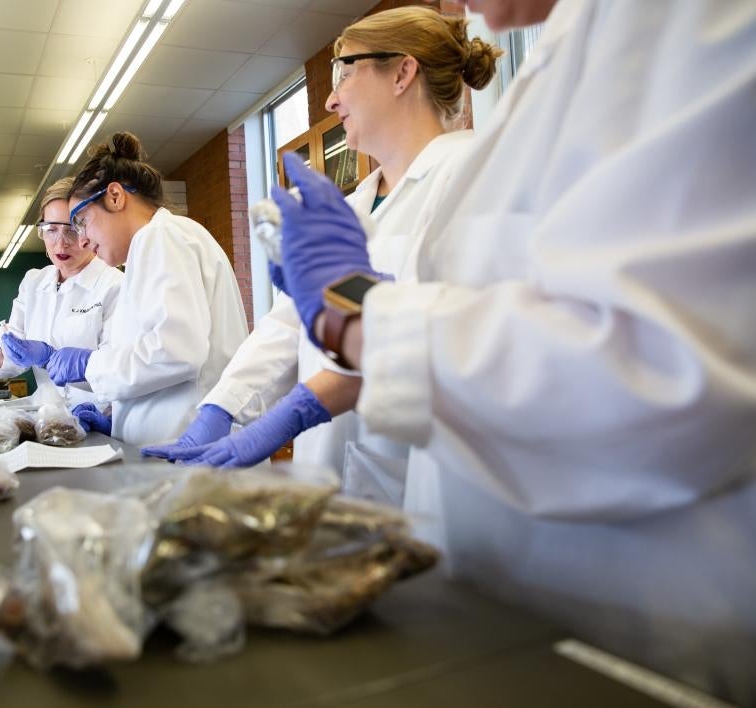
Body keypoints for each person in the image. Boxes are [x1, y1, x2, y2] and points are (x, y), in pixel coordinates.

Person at [272, 0, 756, 702]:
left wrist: (361, 323)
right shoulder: (564, 62)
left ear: (402, 73)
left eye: (343, 70)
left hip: (646, 635)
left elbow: (658, 365)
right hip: (512, 604)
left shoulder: (679, 17)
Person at [144, 7, 501, 507]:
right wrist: (222, 410)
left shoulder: (474, 177)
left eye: (345, 71)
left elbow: (452, 343)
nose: (331, 98)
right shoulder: (352, 206)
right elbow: (290, 325)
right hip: (329, 465)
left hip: (419, 476)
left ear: (402, 72)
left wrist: (296, 410)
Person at [10, 131, 248, 446]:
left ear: (115, 197)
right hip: (170, 437)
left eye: (82, 221)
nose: (81, 240)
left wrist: (88, 363)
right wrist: (117, 420)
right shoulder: (156, 243)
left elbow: (176, 353)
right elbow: (154, 352)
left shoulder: (160, 237)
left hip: (188, 439)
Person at [0, 177, 123, 405]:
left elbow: (121, 370)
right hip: (50, 416)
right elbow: (13, 358)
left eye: (72, 229)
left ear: (89, 229)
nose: (61, 242)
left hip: (102, 417)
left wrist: (53, 358)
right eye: (51, 229)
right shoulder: (34, 282)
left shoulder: (114, 285)